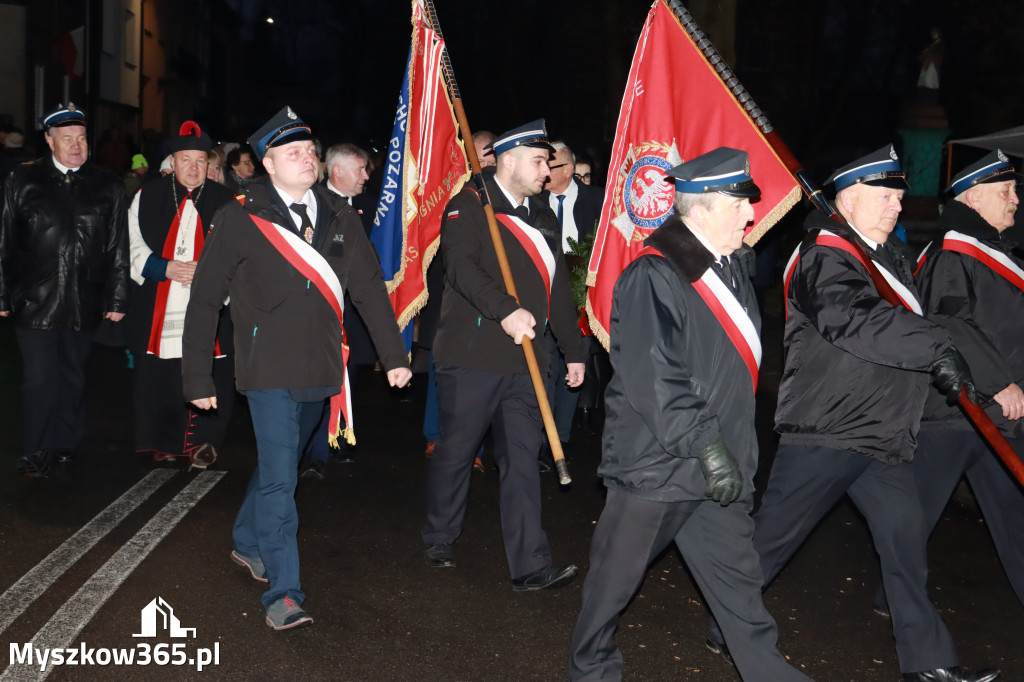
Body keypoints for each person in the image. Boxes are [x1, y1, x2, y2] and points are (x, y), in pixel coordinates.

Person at [706, 146, 999, 682]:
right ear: (849, 198)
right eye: (886, 196)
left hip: (884, 432)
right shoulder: (824, 255)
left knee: (906, 546)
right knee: (773, 537)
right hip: (830, 426)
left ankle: (930, 661)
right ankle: (727, 625)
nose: (897, 205)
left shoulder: (890, 257)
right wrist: (934, 344)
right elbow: (855, 320)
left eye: (899, 196)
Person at [568, 148, 809, 682]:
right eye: (741, 204)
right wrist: (707, 444)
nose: (752, 214)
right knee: (614, 585)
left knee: (740, 592)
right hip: (659, 465)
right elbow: (655, 376)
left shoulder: (732, 268)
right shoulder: (654, 275)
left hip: (719, 465)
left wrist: (730, 454)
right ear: (700, 209)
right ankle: (590, 670)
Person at [182, 107, 411, 630]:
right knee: (283, 480)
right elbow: (205, 300)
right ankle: (284, 594)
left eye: (310, 150)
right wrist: (197, 378)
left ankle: (245, 540)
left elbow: (369, 290)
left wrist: (395, 357)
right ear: (268, 163)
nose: (308, 158)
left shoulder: (339, 214)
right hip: (266, 370)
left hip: (323, 367)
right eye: (294, 153)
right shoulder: (242, 215)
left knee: (277, 467)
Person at [421, 119, 584, 591]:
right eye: (538, 162)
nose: (547, 172)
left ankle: (530, 564)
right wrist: (506, 310)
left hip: (528, 360)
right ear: (506, 160)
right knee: (456, 450)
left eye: (549, 163)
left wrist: (572, 350)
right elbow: (462, 270)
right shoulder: (469, 205)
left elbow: (556, 291)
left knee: (521, 456)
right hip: (472, 354)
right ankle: (440, 533)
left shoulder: (543, 217)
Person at [875, 150, 1024, 612]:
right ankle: (893, 597)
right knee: (916, 513)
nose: (1016, 200)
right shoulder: (952, 251)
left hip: (1002, 414)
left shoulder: (997, 252)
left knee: (1015, 516)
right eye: (1006, 192)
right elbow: (947, 323)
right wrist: (998, 382)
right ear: (974, 199)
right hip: (959, 409)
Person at [0, 102, 129, 477]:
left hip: (83, 300)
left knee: (73, 374)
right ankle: (35, 448)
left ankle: (64, 442)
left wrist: (117, 296)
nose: (76, 145)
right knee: (40, 378)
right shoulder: (22, 181)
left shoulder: (107, 184)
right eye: (67, 138)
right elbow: (4, 240)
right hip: (34, 299)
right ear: (49, 140)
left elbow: (117, 247)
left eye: (82, 138)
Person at [126, 121, 236, 467]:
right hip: (163, 295)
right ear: (172, 163)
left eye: (200, 161)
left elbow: (237, 252)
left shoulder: (226, 200)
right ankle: (164, 441)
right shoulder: (148, 195)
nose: (193, 168)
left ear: (209, 164)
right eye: (185, 160)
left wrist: (210, 276)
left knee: (212, 372)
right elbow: (131, 244)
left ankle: (204, 442)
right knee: (163, 373)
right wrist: (166, 268)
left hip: (211, 302)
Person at [538, 141, 605, 461]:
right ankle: (542, 438)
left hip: (584, 302)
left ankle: (560, 440)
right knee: (545, 366)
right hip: (542, 298)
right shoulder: (533, 200)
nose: (540, 172)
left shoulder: (600, 200)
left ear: (566, 169)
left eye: (546, 166)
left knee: (572, 369)